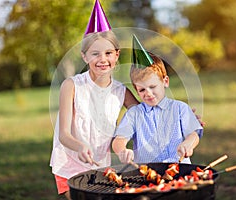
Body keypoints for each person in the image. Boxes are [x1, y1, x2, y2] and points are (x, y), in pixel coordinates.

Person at [49, 1, 138, 199]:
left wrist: (178, 116)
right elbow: (63, 134)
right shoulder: (72, 86)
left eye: (108, 53)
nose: (102, 59)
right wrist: (80, 146)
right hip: (69, 162)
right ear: (84, 56)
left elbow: (144, 117)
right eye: (95, 54)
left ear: (117, 55)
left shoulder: (121, 91)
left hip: (101, 163)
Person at [112, 35, 203, 164]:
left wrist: (189, 143)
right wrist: (122, 151)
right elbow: (119, 139)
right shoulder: (134, 114)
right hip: (147, 174)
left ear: (165, 81)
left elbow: (194, 133)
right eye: (142, 90)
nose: (148, 93)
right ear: (135, 89)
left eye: (152, 86)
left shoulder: (180, 108)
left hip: (178, 170)